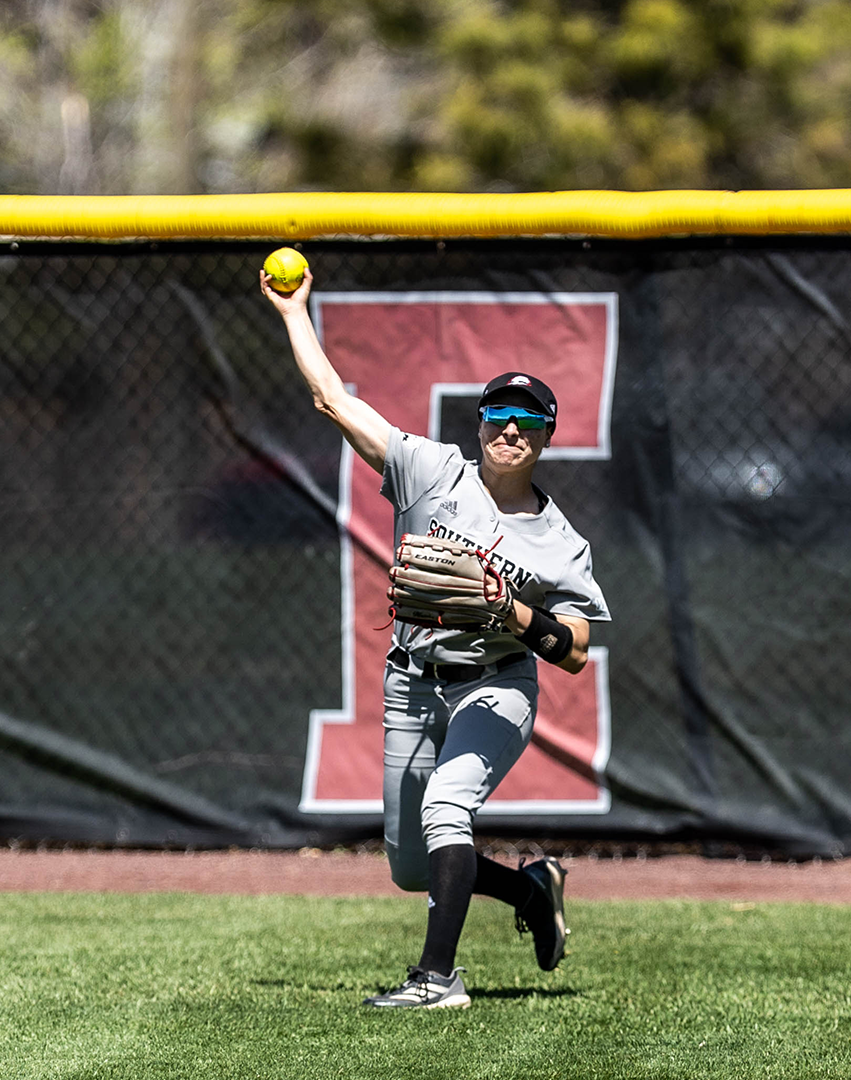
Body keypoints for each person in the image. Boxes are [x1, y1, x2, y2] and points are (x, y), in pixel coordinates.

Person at [262, 265, 611, 1010]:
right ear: (479, 424)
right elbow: (332, 399)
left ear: (547, 437)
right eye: (498, 416)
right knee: (411, 868)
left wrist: (512, 613)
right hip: (411, 680)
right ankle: (527, 889)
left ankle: (436, 980)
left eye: (527, 420)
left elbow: (577, 650)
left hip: (495, 685)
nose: (510, 428)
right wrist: (295, 312)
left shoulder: (558, 543)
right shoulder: (431, 471)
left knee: (448, 807)